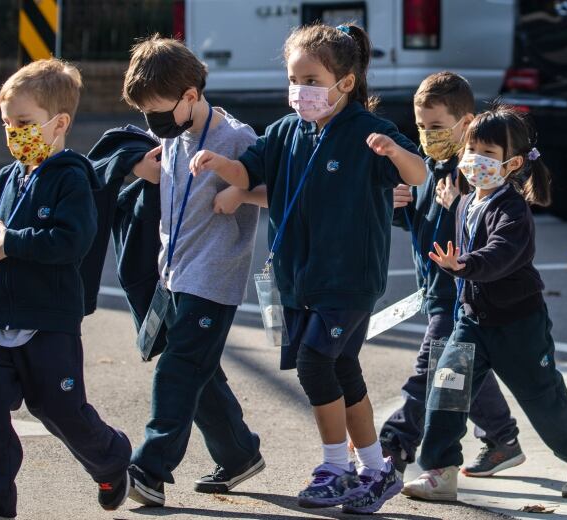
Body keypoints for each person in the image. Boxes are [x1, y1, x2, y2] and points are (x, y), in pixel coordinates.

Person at [190, 23, 427, 515]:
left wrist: (396, 152)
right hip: (300, 280)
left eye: (311, 79)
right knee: (342, 367)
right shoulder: (284, 132)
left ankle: (335, 467)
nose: (300, 89)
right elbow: (249, 173)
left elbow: (418, 173)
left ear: (345, 82)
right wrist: (219, 165)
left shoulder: (368, 132)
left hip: (349, 280)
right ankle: (377, 469)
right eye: (294, 78)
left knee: (315, 363)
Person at [0, 58, 132, 520]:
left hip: (48, 323)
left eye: (23, 123)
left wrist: (15, 243)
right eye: (7, 123)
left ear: (58, 123)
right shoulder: (6, 178)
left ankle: (110, 459)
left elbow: (73, 240)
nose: (12, 133)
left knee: (60, 408)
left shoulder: (71, 176)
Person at [404, 106, 567, 501]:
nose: (475, 160)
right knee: (446, 391)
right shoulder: (464, 201)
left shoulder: (512, 209)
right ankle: (440, 472)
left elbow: (500, 254)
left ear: (512, 163)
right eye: (471, 149)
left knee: (541, 397)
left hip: (517, 324)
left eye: (488, 153)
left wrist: (465, 264)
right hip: (470, 321)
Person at [121, 35, 268, 506]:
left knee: (179, 368)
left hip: (215, 278)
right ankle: (239, 453)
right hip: (175, 273)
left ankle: (150, 469)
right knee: (201, 372)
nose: (153, 122)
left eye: (159, 111)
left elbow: (278, 191)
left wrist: (241, 192)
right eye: (145, 113)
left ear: (191, 95)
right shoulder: (172, 136)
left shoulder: (238, 138)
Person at [381, 71, 525, 482]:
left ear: (466, 123)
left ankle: (397, 442)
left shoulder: (475, 172)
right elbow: (419, 222)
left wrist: (459, 203)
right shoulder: (424, 166)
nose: (427, 135)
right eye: (422, 126)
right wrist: (396, 206)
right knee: (465, 369)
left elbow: (494, 229)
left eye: (437, 127)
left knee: (433, 368)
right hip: (434, 290)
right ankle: (504, 439)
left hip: (462, 294)